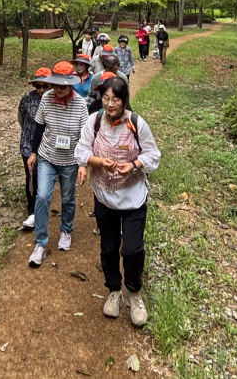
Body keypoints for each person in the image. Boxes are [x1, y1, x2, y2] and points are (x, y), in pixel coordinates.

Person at [75, 76, 161, 326]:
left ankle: (134, 292)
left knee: (132, 249)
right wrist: (98, 162)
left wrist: (133, 165)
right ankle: (114, 290)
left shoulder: (137, 123)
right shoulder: (94, 121)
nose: (110, 104)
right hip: (104, 197)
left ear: (124, 100)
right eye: (105, 98)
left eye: (115, 99)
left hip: (133, 197)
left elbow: (153, 155)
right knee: (108, 246)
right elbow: (81, 150)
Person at [27, 62, 88, 267]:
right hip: (47, 156)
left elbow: (85, 136)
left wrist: (83, 163)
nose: (58, 89)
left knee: (68, 198)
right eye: (56, 85)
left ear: (70, 84)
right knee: (42, 196)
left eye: (63, 86)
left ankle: (66, 230)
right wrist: (33, 152)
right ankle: (40, 243)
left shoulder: (80, 105)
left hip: (70, 160)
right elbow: (39, 126)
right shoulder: (46, 98)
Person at [18, 68, 52, 229]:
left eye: (45, 86)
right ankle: (32, 210)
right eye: (38, 86)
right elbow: (20, 116)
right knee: (31, 174)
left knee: (42, 175)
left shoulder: (54, 99)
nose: (41, 89)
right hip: (28, 142)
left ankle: (42, 205)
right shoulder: (27, 98)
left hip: (47, 144)